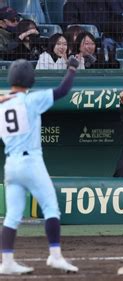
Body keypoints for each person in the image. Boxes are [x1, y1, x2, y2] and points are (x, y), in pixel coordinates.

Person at [0, 57, 80, 274]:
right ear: (30, 79)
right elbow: (63, 90)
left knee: (13, 215)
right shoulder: (31, 100)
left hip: (11, 164)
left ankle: (6, 261)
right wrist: (72, 68)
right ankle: (55, 256)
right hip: (31, 162)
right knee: (51, 208)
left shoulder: (3, 103)